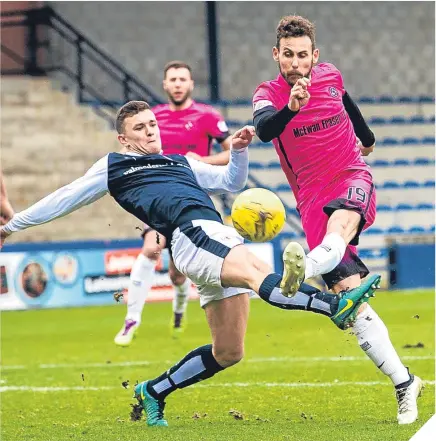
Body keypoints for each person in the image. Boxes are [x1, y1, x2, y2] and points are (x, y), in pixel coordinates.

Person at [1, 100, 380, 427]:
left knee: (229, 351)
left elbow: (232, 181)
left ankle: (153, 391)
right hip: (192, 234)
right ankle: (335, 306)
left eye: (152, 124)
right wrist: (15, 224)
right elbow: (67, 197)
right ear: (123, 138)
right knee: (257, 274)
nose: (151, 131)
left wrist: (238, 151)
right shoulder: (114, 166)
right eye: (140, 128)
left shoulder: (180, 161)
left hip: (211, 236)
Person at [252, 15, 422, 425]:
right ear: (277, 54)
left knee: (340, 226)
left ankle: (304, 267)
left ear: (316, 55)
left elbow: (345, 101)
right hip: (311, 198)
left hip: (350, 174)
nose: (296, 63)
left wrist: (367, 139)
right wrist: (290, 109)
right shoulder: (268, 94)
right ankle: (405, 382)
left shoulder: (330, 75)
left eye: (303, 55)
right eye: (288, 55)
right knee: (352, 305)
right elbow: (262, 129)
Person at [114, 61, 233, 346]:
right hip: (158, 195)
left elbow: (230, 153)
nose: (178, 84)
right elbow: (128, 150)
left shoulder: (207, 116)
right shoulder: (152, 118)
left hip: (191, 196)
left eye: (183, 79)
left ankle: (179, 310)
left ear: (191, 84)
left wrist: (203, 160)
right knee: (151, 247)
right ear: (165, 85)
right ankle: (132, 319)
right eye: (173, 79)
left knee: (177, 274)